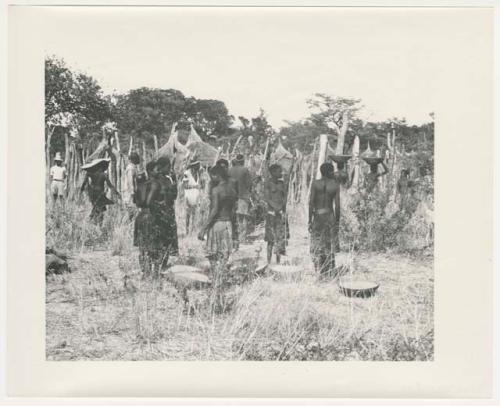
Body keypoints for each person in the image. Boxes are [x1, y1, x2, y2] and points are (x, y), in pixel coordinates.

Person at [198, 164, 236, 310]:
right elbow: (233, 213)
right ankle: (220, 288)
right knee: (223, 258)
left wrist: (203, 228)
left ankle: (216, 289)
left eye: (212, 176)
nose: (211, 179)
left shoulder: (216, 190)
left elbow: (214, 211)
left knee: (214, 258)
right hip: (228, 226)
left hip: (218, 225)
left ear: (216, 176)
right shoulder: (231, 189)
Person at [143, 157, 179, 278]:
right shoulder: (155, 181)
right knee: (157, 243)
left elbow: (174, 196)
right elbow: (149, 201)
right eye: (168, 167)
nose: (170, 169)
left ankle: (162, 267)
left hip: (168, 214)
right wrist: (160, 207)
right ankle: (152, 271)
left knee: (167, 242)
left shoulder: (169, 180)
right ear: (162, 167)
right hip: (158, 216)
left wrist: (175, 181)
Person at [308, 162, 340, 279]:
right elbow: (337, 206)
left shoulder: (315, 184)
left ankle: (318, 271)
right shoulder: (335, 185)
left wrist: (309, 220)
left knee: (317, 243)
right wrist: (337, 221)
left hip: (317, 216)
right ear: (330, 172)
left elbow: (311, 203)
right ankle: (330, 272)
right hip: (330, 216)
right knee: (330, 243)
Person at [133, 161, 158, 277]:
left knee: (142, 247)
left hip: (140, 216)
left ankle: (144, 272)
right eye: (156, 169)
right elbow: (150, 202)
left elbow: (137, 203)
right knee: (153, 245)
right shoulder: (154, 185)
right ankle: (154, 273)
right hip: (151, 216)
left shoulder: (139, 186)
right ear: (152, 171)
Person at [80, 158, 120, 226]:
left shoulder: (90, 173)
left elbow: (84, 183)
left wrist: (81, 191)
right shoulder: (103, 175)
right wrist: (117, 193)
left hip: (92, 194)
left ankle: (94, 224)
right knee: (100, 210)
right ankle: (97, 224)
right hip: (100, 194)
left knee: (96, 208)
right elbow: (110, 185)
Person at [263, 163, 289, 264]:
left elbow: (285, 197)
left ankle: (278, 261)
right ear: (273, 173)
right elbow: (267, 198)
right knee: (270, 239)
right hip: (271, 214)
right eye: (279, 171)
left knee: (279, 238)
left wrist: (282, 207)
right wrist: (276, 207)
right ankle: (269, 261)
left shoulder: (282, 184)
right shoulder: (268, 183)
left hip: (280, 214)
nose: (281, 173)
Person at [228, 154, 252, 244]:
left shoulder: (230, 170)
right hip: (243, 196)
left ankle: (233, 237)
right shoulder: (245, 170)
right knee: (243, 218)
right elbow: (249, 184)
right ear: (242, 161)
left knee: (232, 218)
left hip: (231, 198)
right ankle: (242, 238)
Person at [182, 160, 203, 234]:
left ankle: (193, 230)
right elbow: (184, 186)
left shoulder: (197, 173)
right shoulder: (187, 173)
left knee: (195, 213)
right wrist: (195, 186)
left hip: (195, 196)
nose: (199, 166)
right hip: (188, 196)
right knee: (188, 214)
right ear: (193, 165)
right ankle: (187, 230)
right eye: (198, 165)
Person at [123, 152, 141, 218]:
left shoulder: (133, 167)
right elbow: (130, 181)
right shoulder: (130, 168)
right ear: (134, 160)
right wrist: (132, 192)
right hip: (129, 193)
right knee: (132, 211)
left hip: (132, 193)